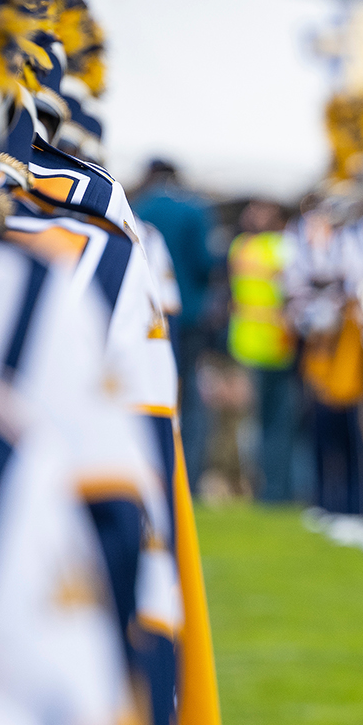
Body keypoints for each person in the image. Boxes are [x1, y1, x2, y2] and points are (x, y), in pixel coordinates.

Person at [135, 157, 219, 486]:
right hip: (189, 314)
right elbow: (204, 262)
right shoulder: (193, 209)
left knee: (151, 388)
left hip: (145, 315)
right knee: (191, 399)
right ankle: (189, 474)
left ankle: (154, 468)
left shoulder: (136, 205)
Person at [231, 199, 300, 502]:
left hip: (264, 342)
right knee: (273, 423)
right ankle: (272, 489)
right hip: (268, 342)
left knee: (269, 423)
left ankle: (272, 488)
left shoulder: (242, 246)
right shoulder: (283, 246)